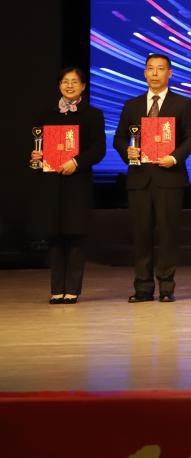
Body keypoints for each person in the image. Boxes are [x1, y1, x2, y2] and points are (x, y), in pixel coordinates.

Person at [113, 53, 191, 303]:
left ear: (170, 73)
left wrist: (175, 157)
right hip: (139, 178)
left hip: (170, 177)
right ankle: (143, 287)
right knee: (141, 235)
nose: (155, 73)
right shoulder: (132, 105)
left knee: (168, 234)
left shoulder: (183, 103)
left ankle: (167, 287)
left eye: (160, 69)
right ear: (144, 73)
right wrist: (127, 151)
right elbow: (119, 137)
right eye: (150, 68)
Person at [28, 67, 106, 304]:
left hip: (77, 183)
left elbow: (98, 149)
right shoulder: (46, 114)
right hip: (51, 183)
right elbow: (36, 147)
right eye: (65, 81)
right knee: (55, 237)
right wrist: (35, 157)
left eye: (74, 82)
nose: (69, 86)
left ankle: (72, 289)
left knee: (75, 237)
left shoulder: (92, 114)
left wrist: (77, 162)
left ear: (83, 86)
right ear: (59, 85)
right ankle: (56, 289)